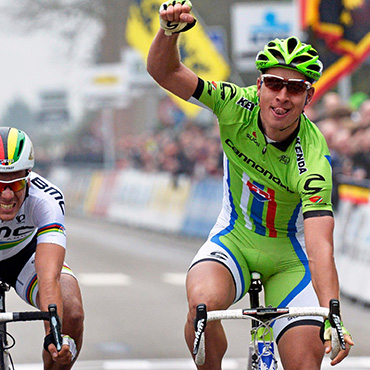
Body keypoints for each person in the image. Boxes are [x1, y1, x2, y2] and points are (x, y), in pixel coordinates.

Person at [147, 2, 354, 369]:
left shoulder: (314, 160)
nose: (282, 96)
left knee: (304, 363)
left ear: (309, 97)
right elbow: (166, 72)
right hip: (235, 239)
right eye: (274, 84)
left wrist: (332, 312)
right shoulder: (233, 104)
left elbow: (321, 245)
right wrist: (169, 33)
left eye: (295, 89)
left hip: (291, 258)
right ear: (259, 86)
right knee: (202, 310)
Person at [0, 127, 84, 369]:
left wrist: (53, 335)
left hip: (24, 257)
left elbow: (49, 277)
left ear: (28, 176)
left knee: (71, 312)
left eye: (15, 184)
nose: (7, 195)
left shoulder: (46, 199)